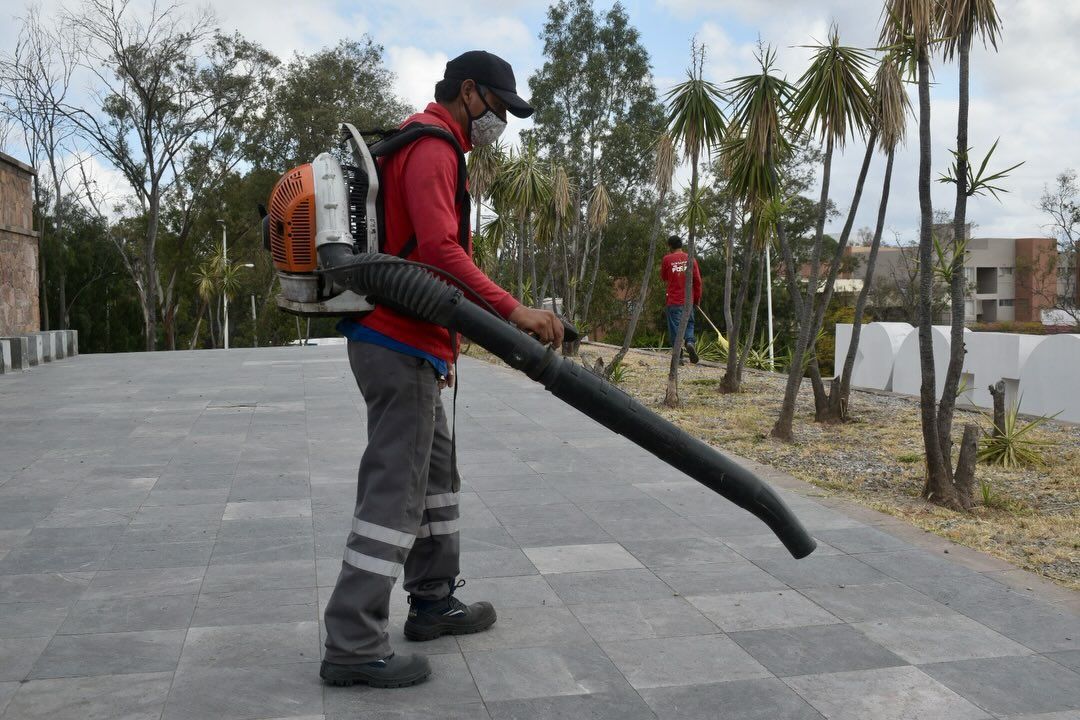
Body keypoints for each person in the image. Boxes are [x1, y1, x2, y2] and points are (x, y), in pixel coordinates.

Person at [320, 50, 564, 689]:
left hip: (415, 344)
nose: (500, 123)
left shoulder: (424, 144)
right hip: (396, 343)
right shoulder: (433, 148)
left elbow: (420, 266)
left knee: (435, 481)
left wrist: (445, 347)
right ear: (468, 92)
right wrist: (514, 311)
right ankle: (351, 641)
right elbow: (438, 251)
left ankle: (431, 601)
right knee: (393, 493)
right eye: (499, 108)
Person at [660, 234, 702, 364]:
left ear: (670, 246)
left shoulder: (667, 259)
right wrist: (697, 299)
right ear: (681, 245)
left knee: (675, 328)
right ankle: (690, 342)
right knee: (689, 323)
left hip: (674, 300)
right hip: (689, 300)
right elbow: (697, 282)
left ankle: (678, 356)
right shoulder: (691, 259)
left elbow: (664, 277)